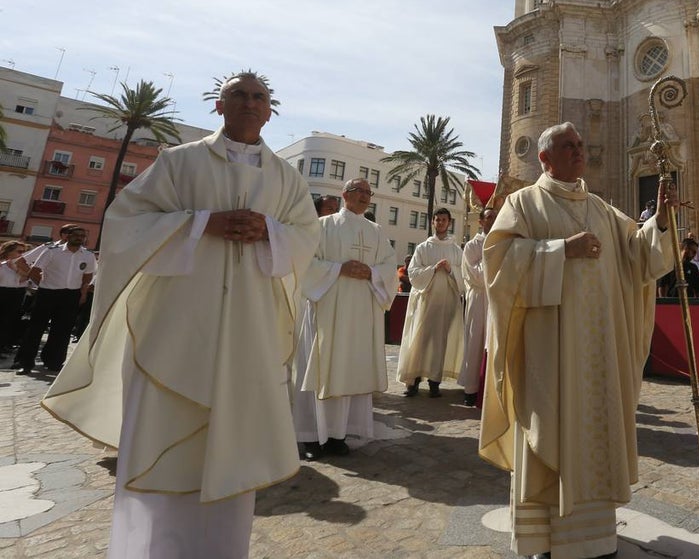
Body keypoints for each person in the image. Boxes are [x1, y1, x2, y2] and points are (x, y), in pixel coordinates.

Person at [41, 72, 321, 559]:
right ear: (219, 104)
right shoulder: (178, 162)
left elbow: (306, 239)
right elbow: (125, 223)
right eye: (239, 94)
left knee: (234, 442)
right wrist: (202, 223)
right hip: (175, 330)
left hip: (248, 333)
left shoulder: (286, 178)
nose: (250, 103)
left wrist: (270, 231)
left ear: (271, 110)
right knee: (164, 434)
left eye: (260, 97)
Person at [479, 122, 675, 559]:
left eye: (580, 145)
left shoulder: (602, 209)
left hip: (598, 354)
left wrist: (660, 222)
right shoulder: (523, 203)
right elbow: (498, 267)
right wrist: (558, 251)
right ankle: (544, 542)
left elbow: (639, 256)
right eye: (568, 146)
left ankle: (595, 540)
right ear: (544, 159)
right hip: (548, 355)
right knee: (552, 430)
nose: (578, 151)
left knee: (593, 433)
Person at [294, 177, 396, 461]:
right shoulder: (323, 226)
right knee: (319, 370)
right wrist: (338, 269)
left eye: (368, 192)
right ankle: (311, 437)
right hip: (326, 310)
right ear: (344, 194)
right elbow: (304, 260)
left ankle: (338, 434)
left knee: (348, 369)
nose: (364, 196)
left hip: (359, 315)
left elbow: (389, 266)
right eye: (358, 191)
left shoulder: (375, 232)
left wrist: (372, 274)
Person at [397, 207, 464, 398]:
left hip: (446, 304)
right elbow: (413, 273)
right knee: (419, 341)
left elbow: (464, 277)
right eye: (437, 219)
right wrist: (433, 269)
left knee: (440, 343)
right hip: (425, 302)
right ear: (433, 222)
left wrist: (451, 270)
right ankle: (413, 382)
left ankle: (435, 383)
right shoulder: (423, 248)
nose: (440, 223)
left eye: (444, 220)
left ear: (449, 223)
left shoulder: (455, 250)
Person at [14, 227, 96, 374]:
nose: (79, 238)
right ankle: (25, 363)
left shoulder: (88, 256)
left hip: (71, 295)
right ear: (68, 236)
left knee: (62, 330)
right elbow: (35, 270)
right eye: (76, 235)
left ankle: (54, 362)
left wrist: (83, 293)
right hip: (48, 294)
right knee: (36, 328)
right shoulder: (52, 251)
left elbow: (88, 276)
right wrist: (44, 285)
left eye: (82, 236)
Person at [460, 206, 497, 407]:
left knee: (492, 342)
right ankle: (471, 389)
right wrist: (491, 260)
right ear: (481, 222)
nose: (492, 220)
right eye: (488, 217)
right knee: (475, 341)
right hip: (478, 297)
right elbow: (475, 276)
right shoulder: (472, 246)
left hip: (496, 299)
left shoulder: (502, 241)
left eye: (494, 216)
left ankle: (489, 389)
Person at [0, 240, 29, 355]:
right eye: (19, 251)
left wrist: (16, 268)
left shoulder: (21, 265)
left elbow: (25, 278)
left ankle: (3, 345)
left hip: (16, 293)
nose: (22, 254)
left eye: (23, 252)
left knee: (9, 321)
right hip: (2, 291)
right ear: (9, 251)